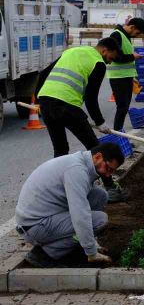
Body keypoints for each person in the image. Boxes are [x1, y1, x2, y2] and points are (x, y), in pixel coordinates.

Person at [36, 38, 128, 202]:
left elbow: (43, 74)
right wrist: (100, 122)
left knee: (60, 149)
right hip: (67, 105)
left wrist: (39, 100)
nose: (109, 62)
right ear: (104, 51)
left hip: (46, 101)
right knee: (96, 147)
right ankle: (110, 189)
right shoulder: (98, 63)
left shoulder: (72, 51)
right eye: (111, 58)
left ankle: (58, 190)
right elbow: (90, 98)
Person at [15, 142, 123, 268]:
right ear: (98, 157)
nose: (108, 174)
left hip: (44, 216)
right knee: (99, 220)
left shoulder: (81, 162)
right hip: (33, 225)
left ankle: (78, 242)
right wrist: (91, 251)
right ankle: (45, 254)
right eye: (108, 168)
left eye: (112, 171)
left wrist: (92, 241)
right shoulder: (77, 171)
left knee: (100, 195)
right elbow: (80, 215)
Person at [108, 17, 144, 132]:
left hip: (125, 77)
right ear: (132, 27)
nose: (136, 36)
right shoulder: (116, 35)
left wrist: (133, 77)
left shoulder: (125, 37)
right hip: (118, 77)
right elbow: (115, 57)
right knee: (122, 108)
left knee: (124, 107)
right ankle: (118, 134)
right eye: (137, 33)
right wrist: (133, 56)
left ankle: (119, 134)